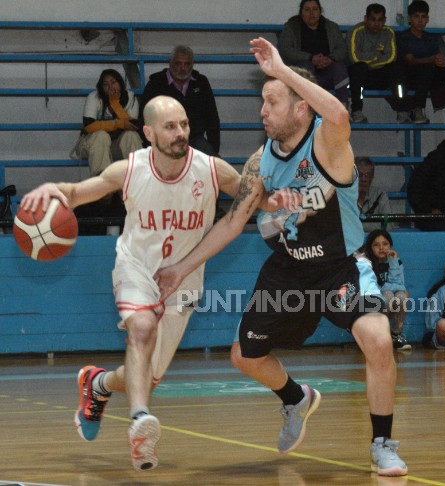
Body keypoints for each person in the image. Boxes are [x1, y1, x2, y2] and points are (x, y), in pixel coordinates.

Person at [155, 37, 408, 477]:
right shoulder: (261, 161)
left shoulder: (328, 142)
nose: (262, 111)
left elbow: (341, 113)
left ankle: (382, 443)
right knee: (243, 356)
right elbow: (233, 223)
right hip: (289, 272)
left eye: (271, 101)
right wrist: (181, 267)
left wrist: (282, 69)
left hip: (340, 268)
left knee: (379, 341)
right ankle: (296, 398)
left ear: (300, 108)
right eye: (262, 101)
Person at [20, 96, 293, 471]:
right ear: (148, 133)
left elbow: (256, 200)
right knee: (142, 329)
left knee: (145, 377)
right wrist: (51, 189)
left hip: (183, 278)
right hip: (136, 268)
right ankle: (139, 422)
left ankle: (97, 385)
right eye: (170, 127)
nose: (181, 133)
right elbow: (80, 192)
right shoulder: (129, 169)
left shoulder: (211, 169)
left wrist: (282, 201)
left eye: (183, 124)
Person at [140, 45, 221, 156]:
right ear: (170, 63)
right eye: (178, 63)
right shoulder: (156, 84)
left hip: (195, 140)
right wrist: (150, 147)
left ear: (192, 65)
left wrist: (213, 148)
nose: (183, 68)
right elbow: (144, 118)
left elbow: (212, 117)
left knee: (215, 166)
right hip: (165, 140)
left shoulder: (201, 83)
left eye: (187, 64)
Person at [396, 0, 445, 124]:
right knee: (425, 68)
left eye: (423, 17)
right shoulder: (403, 37)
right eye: (416, 17)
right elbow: (410, 60)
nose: (420, 21)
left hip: (428, 77)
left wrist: (441, 61)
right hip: (409, 78)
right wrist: (431, 60)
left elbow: (436, 58)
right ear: (409, 19)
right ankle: (417, 110)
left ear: (427, 19)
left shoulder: (431, 38)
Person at [70, 69, 142, 177]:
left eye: (113, 82)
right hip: (92, 145)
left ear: (120, 83)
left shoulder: (131, 98)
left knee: (131, 135)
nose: (110, 87)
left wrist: (115, 104)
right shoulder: (94, 97)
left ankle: (137, 179)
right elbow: (89, 126)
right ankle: (103, 186)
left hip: (115, 146)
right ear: (101, 88)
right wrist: (118, 124)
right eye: (106, 84)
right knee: (101, 136)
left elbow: (132, 125)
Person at [278, 0, 349, 106]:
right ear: (301, 13)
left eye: (315, 9)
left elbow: (342, 49)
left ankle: (343, 108)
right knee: (305, 66)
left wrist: (330, 59)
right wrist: (310, 58)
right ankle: (308, 109)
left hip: (327, 72)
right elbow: (285, 50)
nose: (311, 13)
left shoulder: (331, 27)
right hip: (303, 74)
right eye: (307, 10)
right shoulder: (291, 27)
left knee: (340, 68)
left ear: (320, 12)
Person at [347, 3, 407, 123]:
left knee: (396, 68)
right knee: (359, 67)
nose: (376, 23)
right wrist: (377, 56)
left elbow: (391, 57)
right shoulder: (356, 32)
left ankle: (402, 111)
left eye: (380, 20)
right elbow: (354, 57)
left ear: (384, 20)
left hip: (381, 77)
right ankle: (357, 111)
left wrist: (369, 62)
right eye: (373, 19)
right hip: (361, 78)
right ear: (366, 19)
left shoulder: (389, 32)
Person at [364, 229, 411, 351]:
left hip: (390, 298)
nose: (381, 248)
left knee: (402, 296)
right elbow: (371, 288)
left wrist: (393, 262)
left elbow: (399, 283)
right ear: (370, 248)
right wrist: (389, 290)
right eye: (376, 245)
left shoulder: (397, 261)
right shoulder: (367, 264)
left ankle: (396, 334)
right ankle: (379, 334)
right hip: (373, 301)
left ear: (390, 245)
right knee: (388, 295)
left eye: (385, 244)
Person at [355, 156, 395, 231]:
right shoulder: (344, 196)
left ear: (372, 178)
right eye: (360, 175)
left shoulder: (380, 195)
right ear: (353, 176)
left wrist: (357, 226)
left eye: (367, 175)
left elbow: (389, 225)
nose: (363, 179)